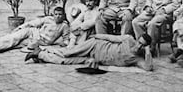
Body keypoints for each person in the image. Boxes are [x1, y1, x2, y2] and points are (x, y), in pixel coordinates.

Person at [25, 33, 154, 71]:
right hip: (95, 46)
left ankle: (39, 54)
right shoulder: (128, 39)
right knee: (67, 53)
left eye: (142, 46)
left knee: (66, 61)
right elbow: (111, 38)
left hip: (94, 59)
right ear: (137, 39)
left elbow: (148, 68)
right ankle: (43, 49)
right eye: (139, 42)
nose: (138, 46)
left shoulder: (137, 59)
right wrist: (97, 36)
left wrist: (147, 52)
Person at [0, 7, 69, 54]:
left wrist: (65, 43)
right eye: (56, 14)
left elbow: (66, 38)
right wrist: (21, 27)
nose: (58, 16)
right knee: (14, 37)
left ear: (63, 15)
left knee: (15, 44)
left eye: (60, 14)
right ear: (53, 14)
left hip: (40, 41)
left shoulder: (64, 26)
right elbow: (34, 22)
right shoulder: (48, 19)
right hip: (33, 32)